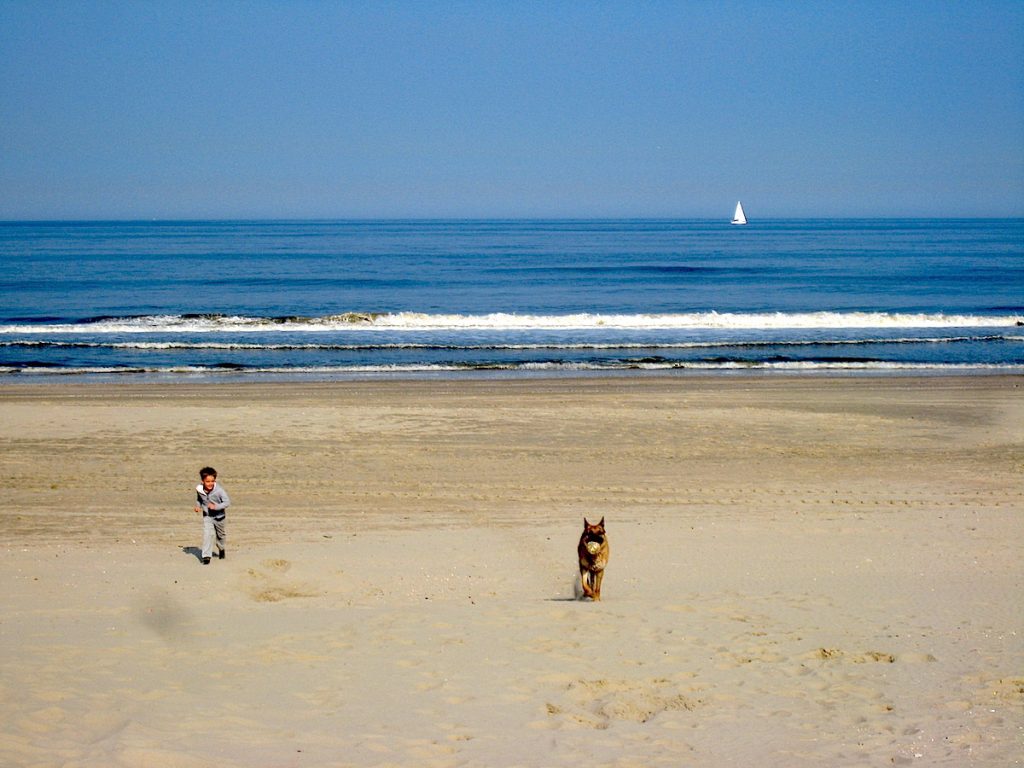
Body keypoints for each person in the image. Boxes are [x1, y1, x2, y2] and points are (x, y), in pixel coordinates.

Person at [194, 466, 230, 565]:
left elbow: (227, 502)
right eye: (208, 481)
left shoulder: (219, 491)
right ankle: (206, 556)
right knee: (207, 534)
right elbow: (199, 499)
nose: (210, 484)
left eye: (212, 481)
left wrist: (216, 506)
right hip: (207, 516)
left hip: (219, 517)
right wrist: (198, 506)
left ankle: (221, 548)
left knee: (220, 535)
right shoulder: (199, 489)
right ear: (202, 481)